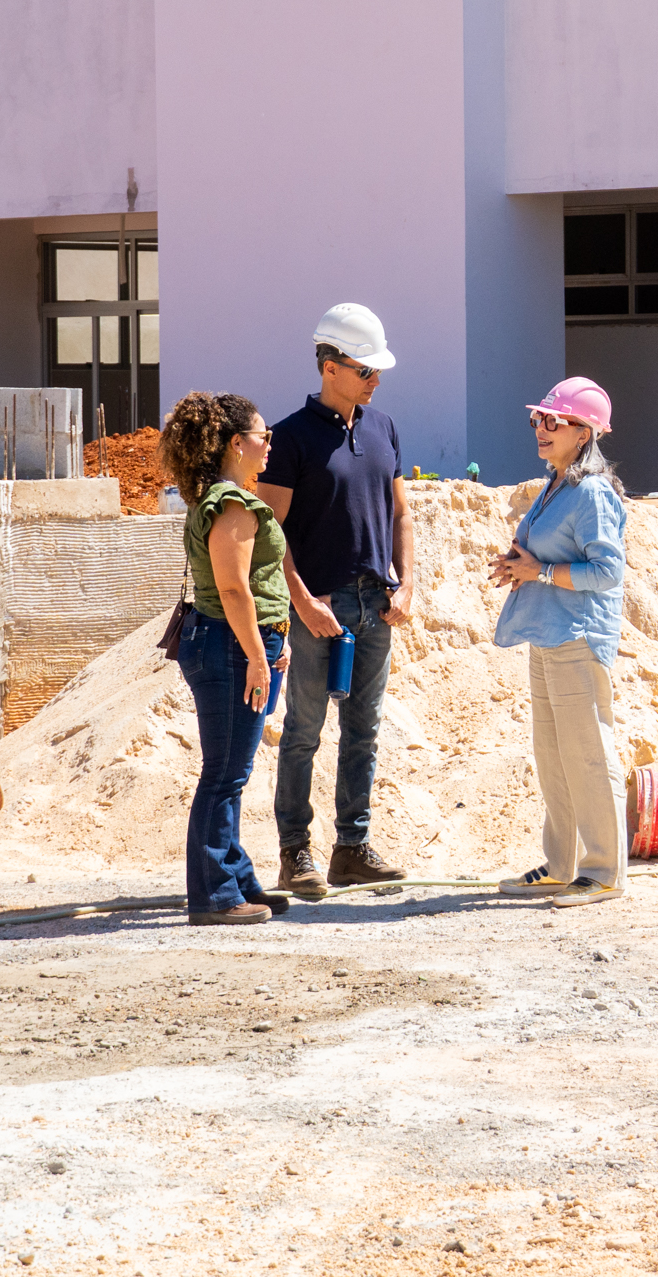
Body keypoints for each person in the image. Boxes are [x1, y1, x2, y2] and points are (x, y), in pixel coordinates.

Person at [259, 304, 416, 899]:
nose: (375, 382)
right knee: (303, 730)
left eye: (377, 372)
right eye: (365, 371)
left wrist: (408, 585)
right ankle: (295, 854)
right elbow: (270, 534)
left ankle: (351, 848)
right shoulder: (291, 438)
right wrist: (301, 601)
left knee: (364, 731)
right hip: (318, 610)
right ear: (330, 366)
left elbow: (401, 513)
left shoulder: (384, 429)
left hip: (375, 605)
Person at [490, 378, 630, 907]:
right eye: (538, 420)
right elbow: (545, 558)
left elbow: (606, 571)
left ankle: (604, 871)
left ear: (584, 431)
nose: (541, 429)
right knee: (553, 755)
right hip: (548, 633)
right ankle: (561, 864)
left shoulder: (591, 492)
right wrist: (521, 567)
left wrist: (542, 571)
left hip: (578, 636)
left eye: (553, 421)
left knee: (588, 753)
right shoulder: (557, 485)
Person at [159, 392, 292, 927]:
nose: (269, 446)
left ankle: (234, 876)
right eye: (263, 436)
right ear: (237, 443)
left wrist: (269, 647)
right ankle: (213, 894)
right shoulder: (232, 505)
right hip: (231, 646)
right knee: (224, 774)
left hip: (236, 643)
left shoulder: (222, 498)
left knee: (233, 770)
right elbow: (235, 590)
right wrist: (259, 657)